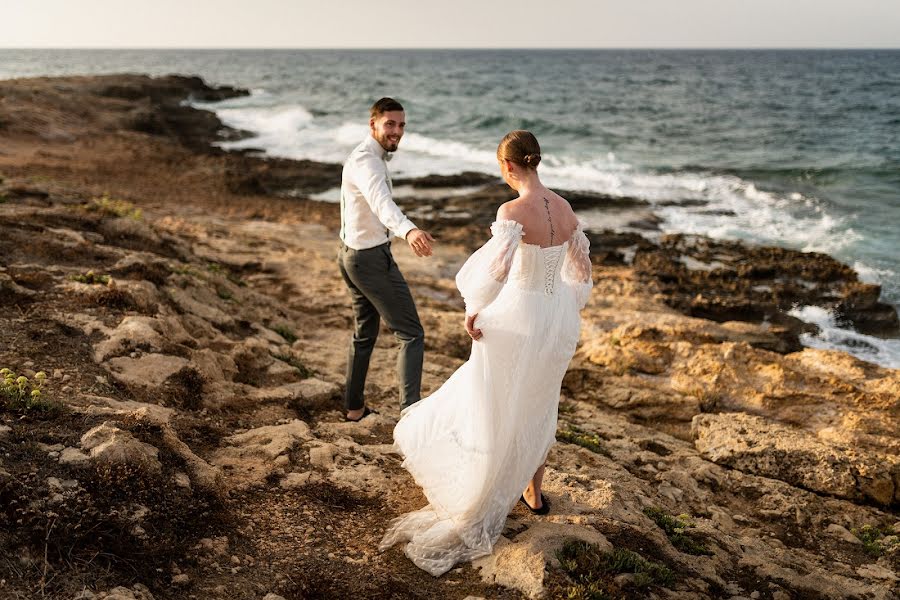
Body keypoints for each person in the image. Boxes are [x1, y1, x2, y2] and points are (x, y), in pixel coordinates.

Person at [379, 130, 593, 576]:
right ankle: (533, 492)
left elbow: (495, 271)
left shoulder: (512, 211)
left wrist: (474, 309)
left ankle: (482, 491)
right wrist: (565, 305)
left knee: (494, 400)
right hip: (557, 318)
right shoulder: (566, 207)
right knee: (540, 403)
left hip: (518, 316)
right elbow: (582, 272)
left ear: (509, 167)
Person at [337, 97, 435, 422]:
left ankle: (354, 409)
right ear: (373, 124)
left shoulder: (366, 156)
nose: (397, 131)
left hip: (350, 254)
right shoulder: (369, 162)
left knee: (364, 333)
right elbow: (382, 204)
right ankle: (411, 417)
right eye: (390, 124)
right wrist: (409, 231)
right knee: (412, 334)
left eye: (402, 125)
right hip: (369, 261)